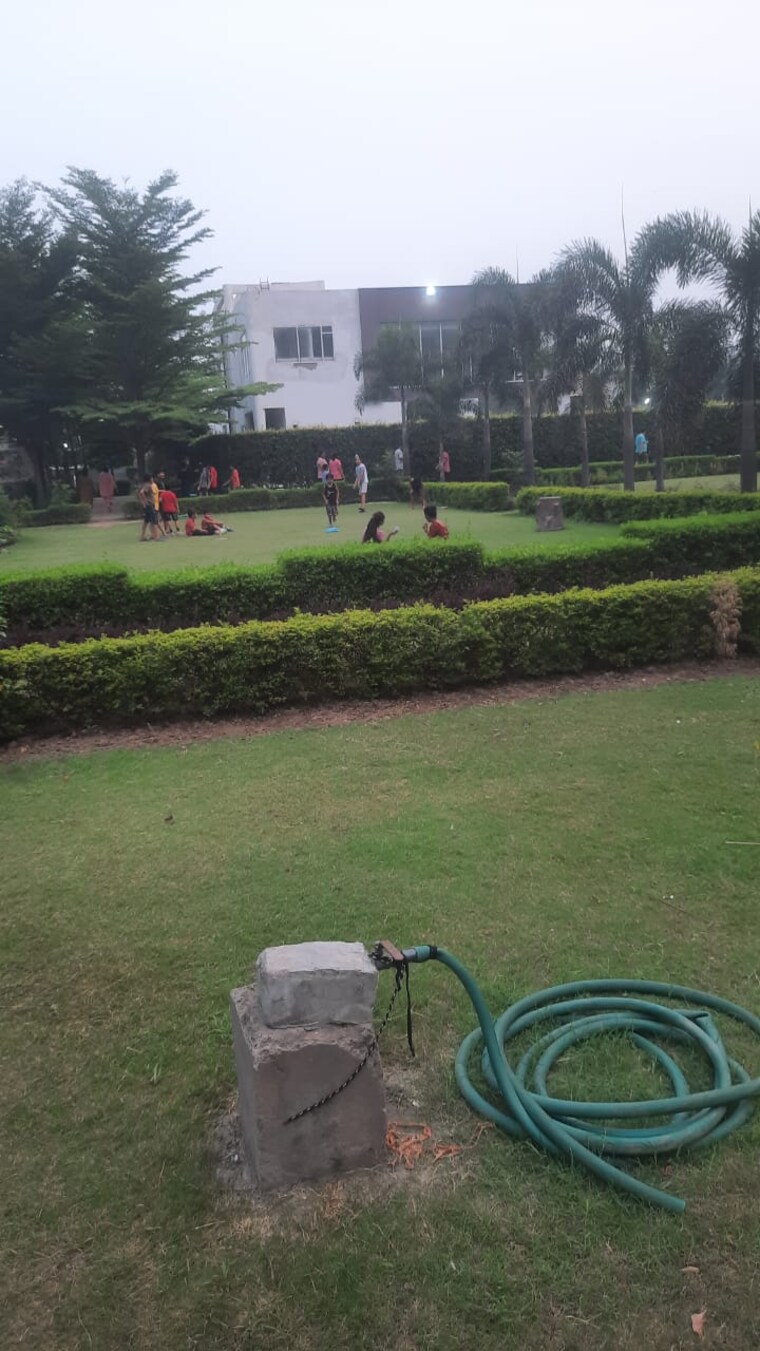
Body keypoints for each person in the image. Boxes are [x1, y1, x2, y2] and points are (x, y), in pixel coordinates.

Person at [138, 475, 162, 542]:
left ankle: (142, 536)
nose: (153, 479)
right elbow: (142, 492)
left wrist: (143, 502)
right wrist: (146, 501)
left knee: (146, 521)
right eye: (152, 478)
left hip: (147, 506)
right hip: (150, 505)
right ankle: (156, 537)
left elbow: (139, 494)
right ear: (150, 479)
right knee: (154, 521)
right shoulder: (148, 485)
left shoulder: (142, 485)